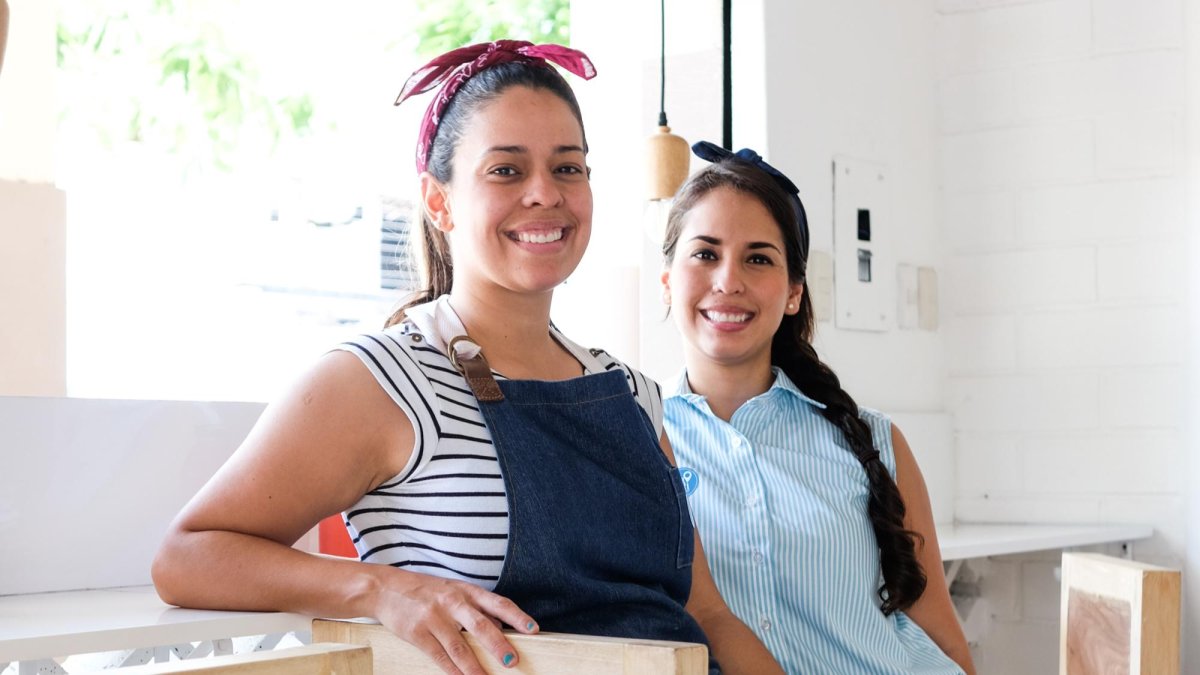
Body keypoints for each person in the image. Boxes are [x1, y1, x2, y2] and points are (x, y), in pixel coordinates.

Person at [152, 42, 782, 675]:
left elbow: (709, 616)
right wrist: (380, 589)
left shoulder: (631, 393)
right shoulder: (381, 379)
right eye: (506, 170)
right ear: (438, 200)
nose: (545, 194)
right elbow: (188, 557)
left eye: (568, 168)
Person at [659, 141, 976, 674]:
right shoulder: (637, 441)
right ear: (667, 281)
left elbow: (942, 641)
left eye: (758, 258)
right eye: (705, 253)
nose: (728, 281)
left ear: (792, 293)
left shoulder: (875, 441)